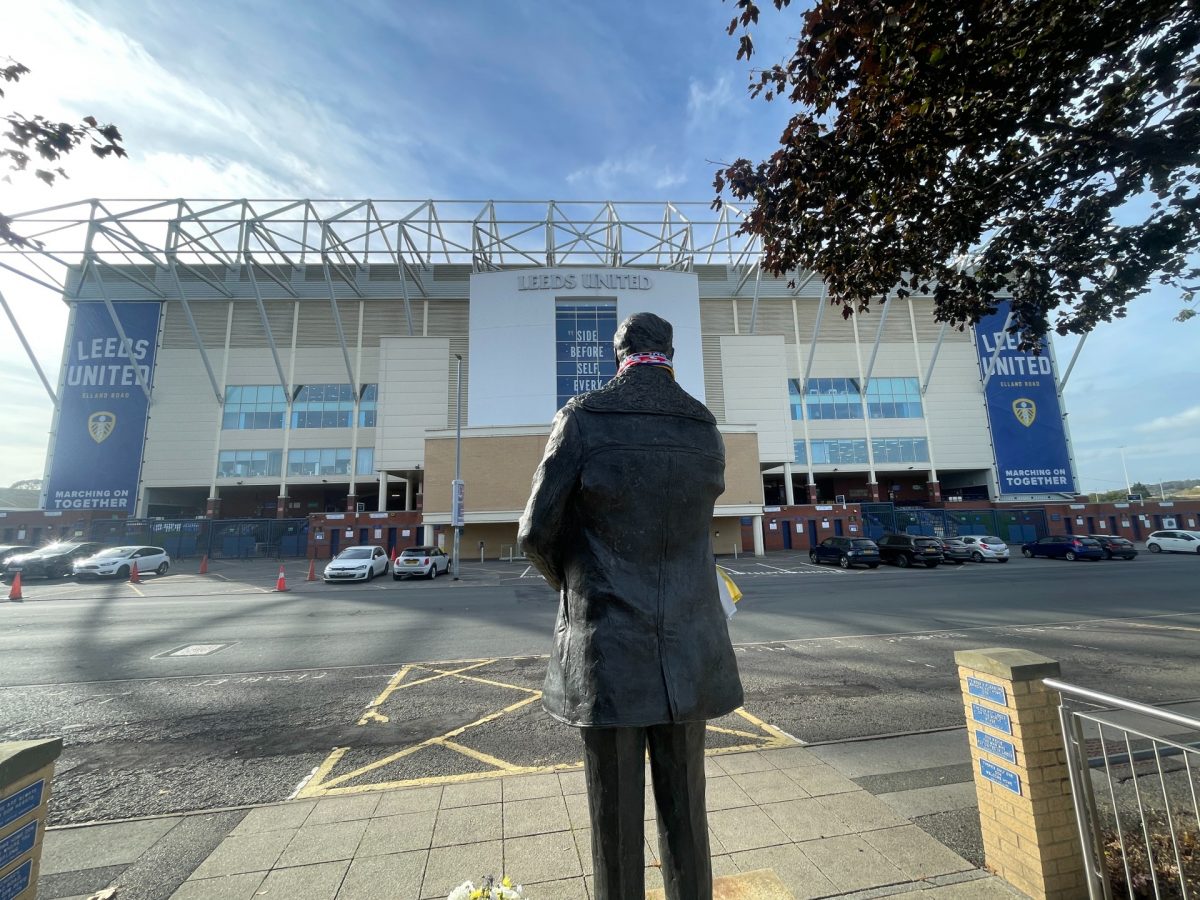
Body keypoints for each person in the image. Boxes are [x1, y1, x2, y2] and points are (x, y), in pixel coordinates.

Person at [518, 311, 743, 899]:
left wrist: (577, 587)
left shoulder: (582, 419)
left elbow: (534, 532)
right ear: (670, 353)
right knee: (688, 817)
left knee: (615, 828)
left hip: (607, 651)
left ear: (619, 354)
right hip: (691, 648)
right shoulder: (703, 427)